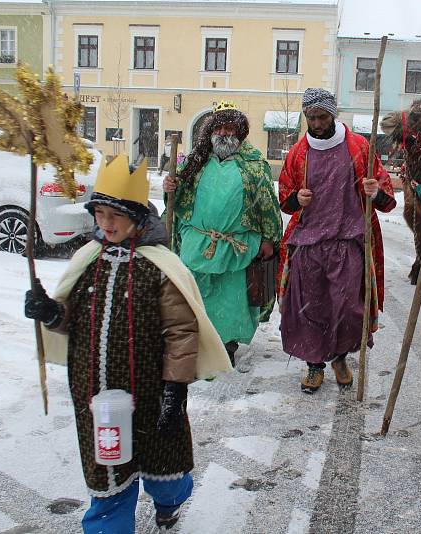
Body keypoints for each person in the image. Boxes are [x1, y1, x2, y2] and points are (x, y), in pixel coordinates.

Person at [24, 155, 231, 532]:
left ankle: (169, 500)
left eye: (116, 214)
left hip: (150, 392)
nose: (107, 223)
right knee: (108, 477)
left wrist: (175, 388)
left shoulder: (159, 267)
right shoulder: (89, 259)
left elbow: (181, 332)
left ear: (137, 215)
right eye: (100, 213)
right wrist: (51, 313)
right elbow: (73, 320)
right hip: (97, 396)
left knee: (161, 468)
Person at [278, 88, 396, 393]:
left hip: (348, 240)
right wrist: (295, 198)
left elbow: (386, 196)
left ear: (333, 114)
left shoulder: (359, 147)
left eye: (322, 117)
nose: (316, 123)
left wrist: (375, 191)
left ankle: (340, 357)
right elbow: (285, 196)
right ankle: (314, 365)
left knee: (346, 307)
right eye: (311, 118)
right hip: (309, 243)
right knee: (310, 308)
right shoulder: (297, 153)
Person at [164, 101, 283, 365]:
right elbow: (177, 198)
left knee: (231, 298)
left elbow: (267, 204)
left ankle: (226, 343)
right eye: (219, 128)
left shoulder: (254, 166)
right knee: (198, 294)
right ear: (210, 132)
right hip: (198, 243)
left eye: (231, 128)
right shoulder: (195, 164)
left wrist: (269, 239)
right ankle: (198, 339)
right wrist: (170, 185)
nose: (225, 133)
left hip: (237, 246)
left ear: (240, 133)